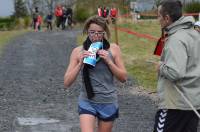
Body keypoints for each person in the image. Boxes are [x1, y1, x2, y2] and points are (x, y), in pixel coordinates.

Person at [64, 15, 127, 132]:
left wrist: (109, 62)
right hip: (87, 100)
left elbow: (123, 78)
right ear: (87, 32)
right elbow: (67, 82)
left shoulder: (113, 49)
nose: (96, 36)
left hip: (108, 101)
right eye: (92, 32)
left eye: (99, 33)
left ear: (104, 33)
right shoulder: (78, 51)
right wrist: (79, 65)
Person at [153, 1, 200, 132]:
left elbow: (175, 73)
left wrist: (160, 66)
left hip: (175, 105)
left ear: (167, 18)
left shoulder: (176, 39)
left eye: (159, 16)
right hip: (193, 103)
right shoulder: (195, 34)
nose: (158, 20)